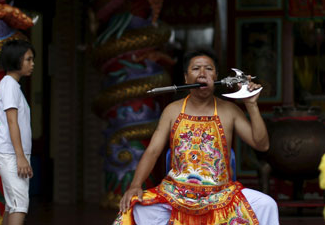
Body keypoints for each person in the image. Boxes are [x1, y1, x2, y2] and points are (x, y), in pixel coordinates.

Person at [114, 49, 279, 225]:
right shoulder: (172, 110)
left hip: (220, 195)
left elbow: (262, 145)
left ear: (216, 76)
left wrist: (251, 104)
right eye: (196, 69)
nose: (202, 74)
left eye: (208, 69)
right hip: (174, 195)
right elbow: (153, 151)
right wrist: (135, 185)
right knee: (134, 208)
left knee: (267, 205)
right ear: (186, 78)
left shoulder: (229, 110)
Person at [0, 40, 34, 225]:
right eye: (28, 59)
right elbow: (12, 121)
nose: (32, 64)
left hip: (13, 153)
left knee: (12, 205)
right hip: (11, 154)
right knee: (19, 205)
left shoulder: (11, 85)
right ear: (16, 60)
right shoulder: (9, 84)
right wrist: (20, 157)